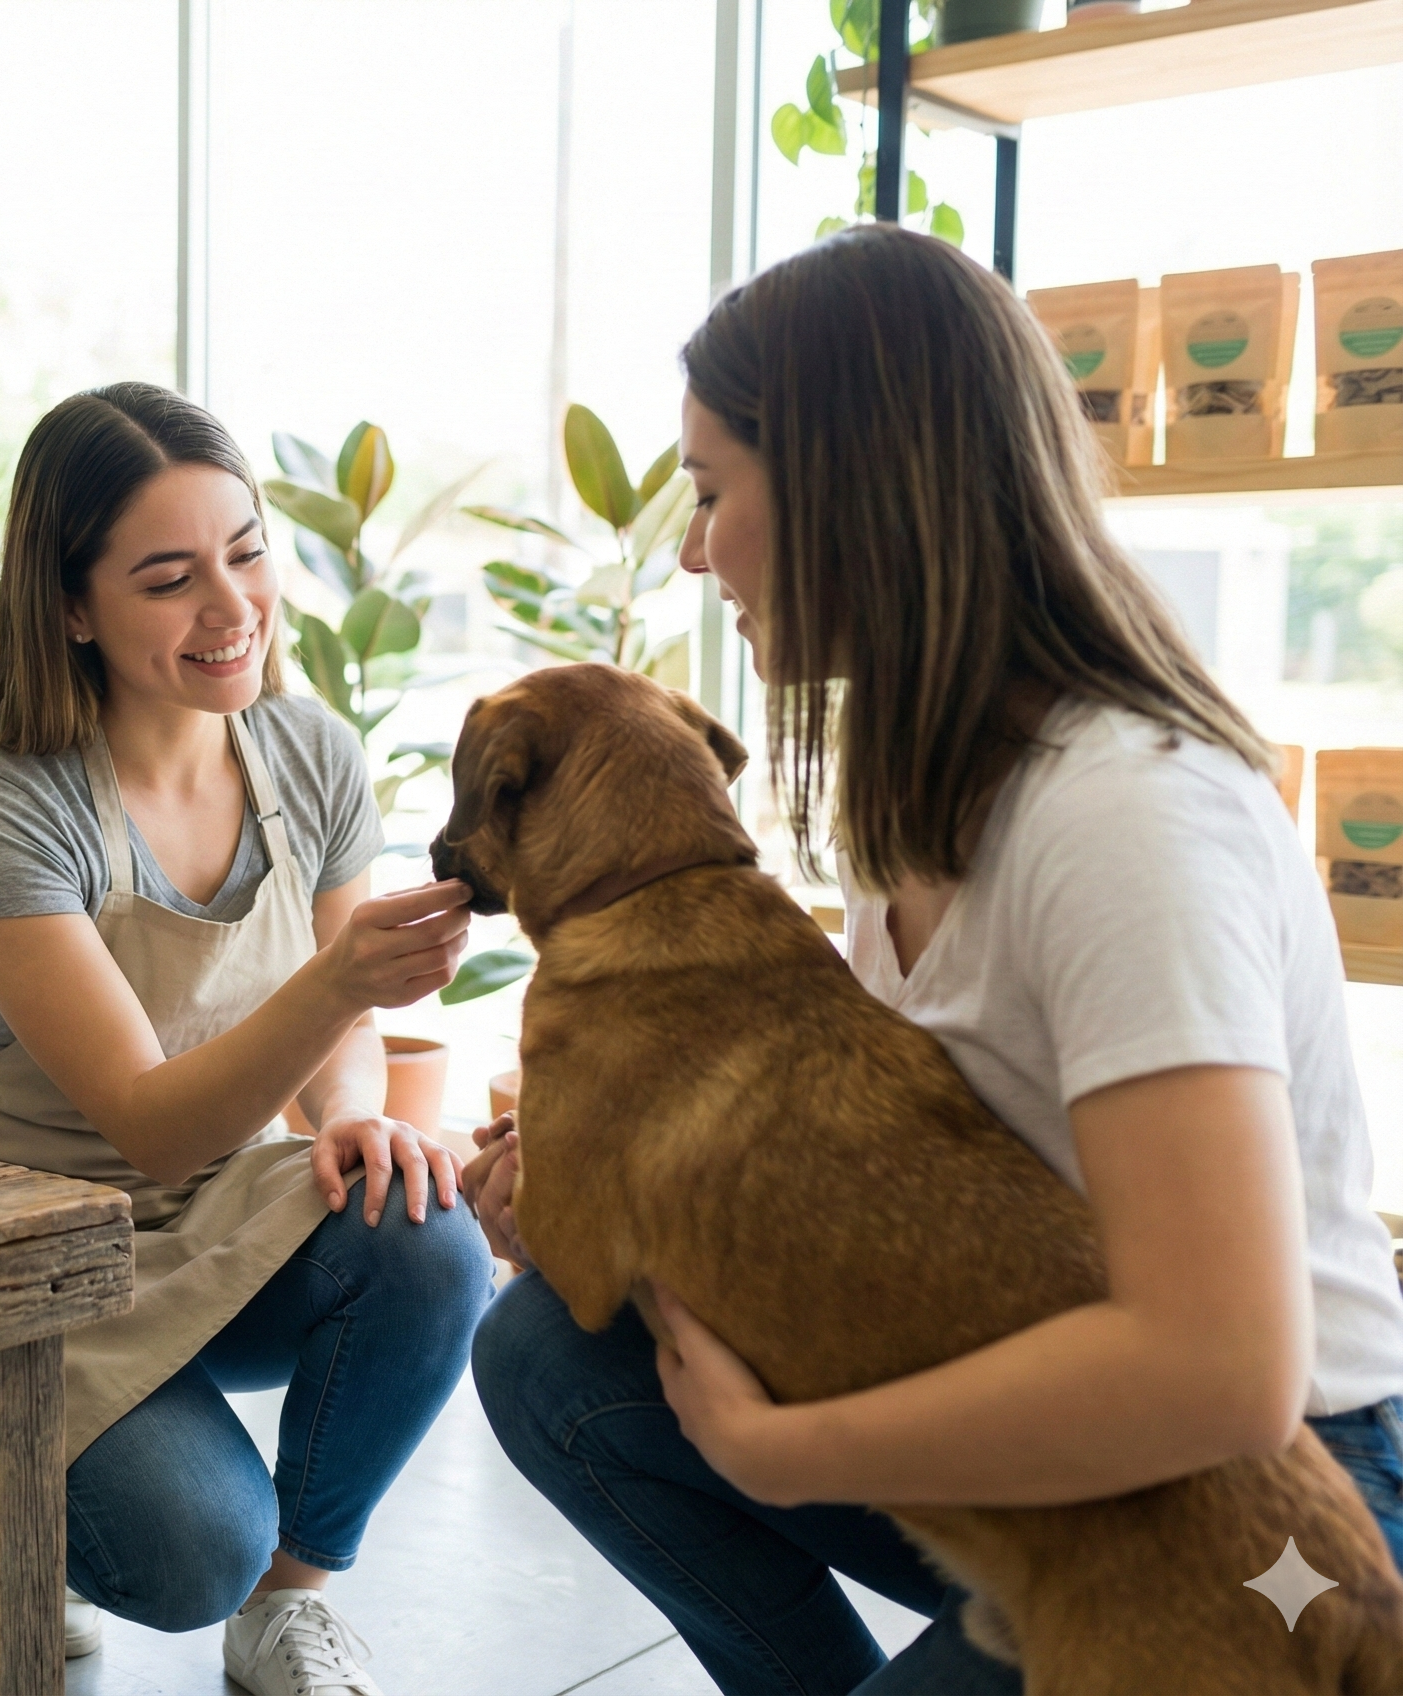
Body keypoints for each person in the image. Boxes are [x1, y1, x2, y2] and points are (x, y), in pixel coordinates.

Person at [464, 223, 1403, 1695]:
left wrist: (792, 1452)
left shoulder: (1126, 814)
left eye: (711, 492)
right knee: (547, 1360)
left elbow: (1226, 1373)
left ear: (852, 489)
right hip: (1031, 1419)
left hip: (1262, 1507)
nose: (697, 550)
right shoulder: (913, 791)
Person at [0, 381, 492, 1695]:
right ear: (72, 608)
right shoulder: (2, 806)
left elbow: (337, 1037)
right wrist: (339, 983)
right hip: (35, 1247)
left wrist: (354, 1116)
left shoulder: (310, 753)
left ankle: (291, 1604)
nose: (231, 608)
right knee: (190, 1552)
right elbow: (151, 1123)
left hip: (223, 1210)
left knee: (426, 1229)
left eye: (245, 554)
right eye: (171, 580)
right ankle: (38, 1501)